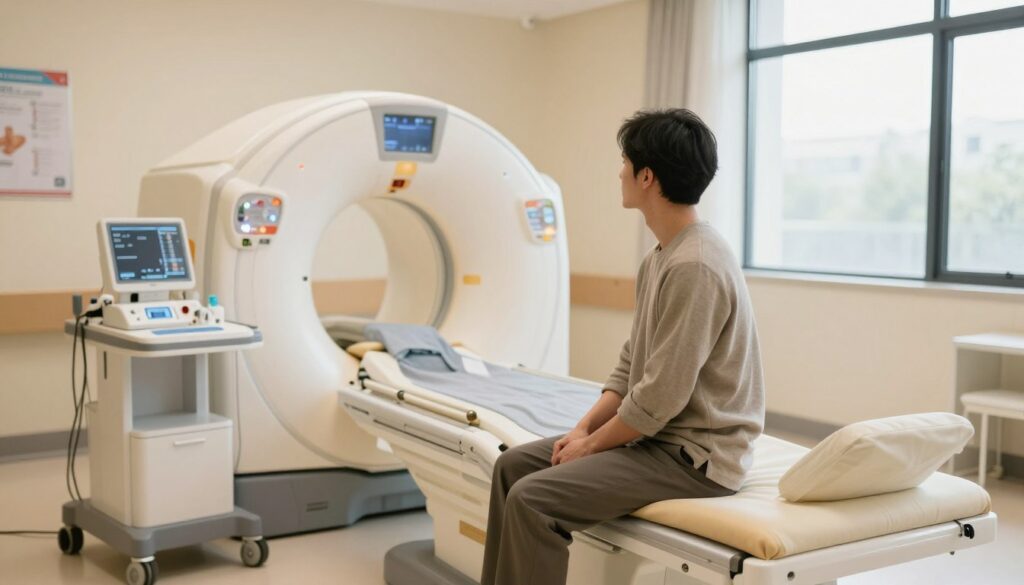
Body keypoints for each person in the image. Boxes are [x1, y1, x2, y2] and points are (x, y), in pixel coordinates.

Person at [480, 109, 765, 585]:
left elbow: (660, 397)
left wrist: (591, 446)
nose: (619, 171)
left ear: (647, 175)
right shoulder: (662, 256)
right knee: (511, 467)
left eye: (624, 161)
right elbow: (632, 364)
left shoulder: (696, 265)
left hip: (695, 458)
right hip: (657, 440)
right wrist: (582, 429)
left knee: (534, 500)